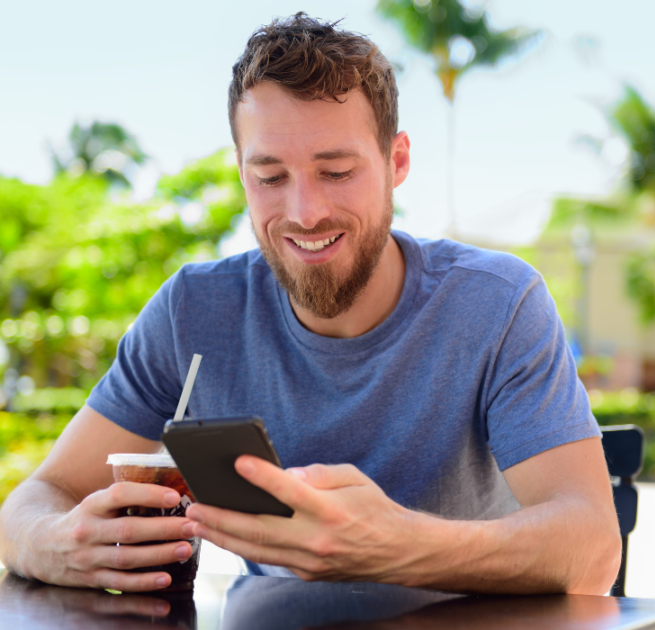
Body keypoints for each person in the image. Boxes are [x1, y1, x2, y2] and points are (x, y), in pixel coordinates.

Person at [0, 13, 620, 594]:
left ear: (396, 161)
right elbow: (36, 498)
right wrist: (57, 542)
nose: (304, 212)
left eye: (337, 171)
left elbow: (592, 550)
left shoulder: (497, 304)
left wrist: (400, 547)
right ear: (243, 174)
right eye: (271, 177)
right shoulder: (194, 312)